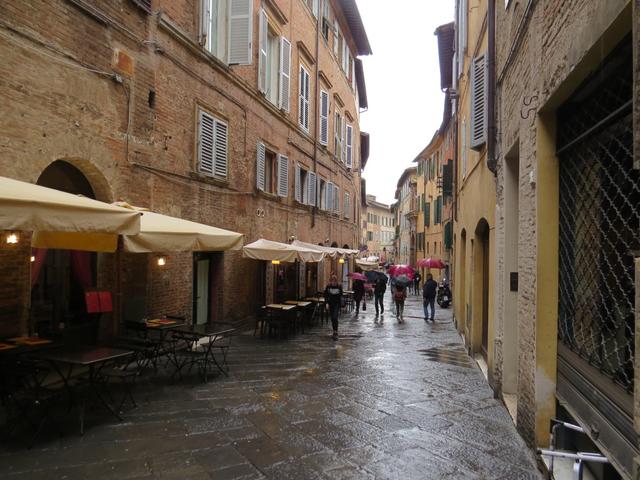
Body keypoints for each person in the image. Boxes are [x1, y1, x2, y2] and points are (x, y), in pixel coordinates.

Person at [324, 274, 343, 340]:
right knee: (332, 318)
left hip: (337, 304)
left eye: (335, 281)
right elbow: (325, 295)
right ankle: (334, 330)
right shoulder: (328, 287)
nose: (333, 282)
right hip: (330, 304)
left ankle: (336, 331)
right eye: (332, 281)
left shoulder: (339, 287)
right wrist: (326, 303)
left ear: (336, 281)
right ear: (331, 281)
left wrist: (341, 305)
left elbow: (341, 295)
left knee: (335, 317)